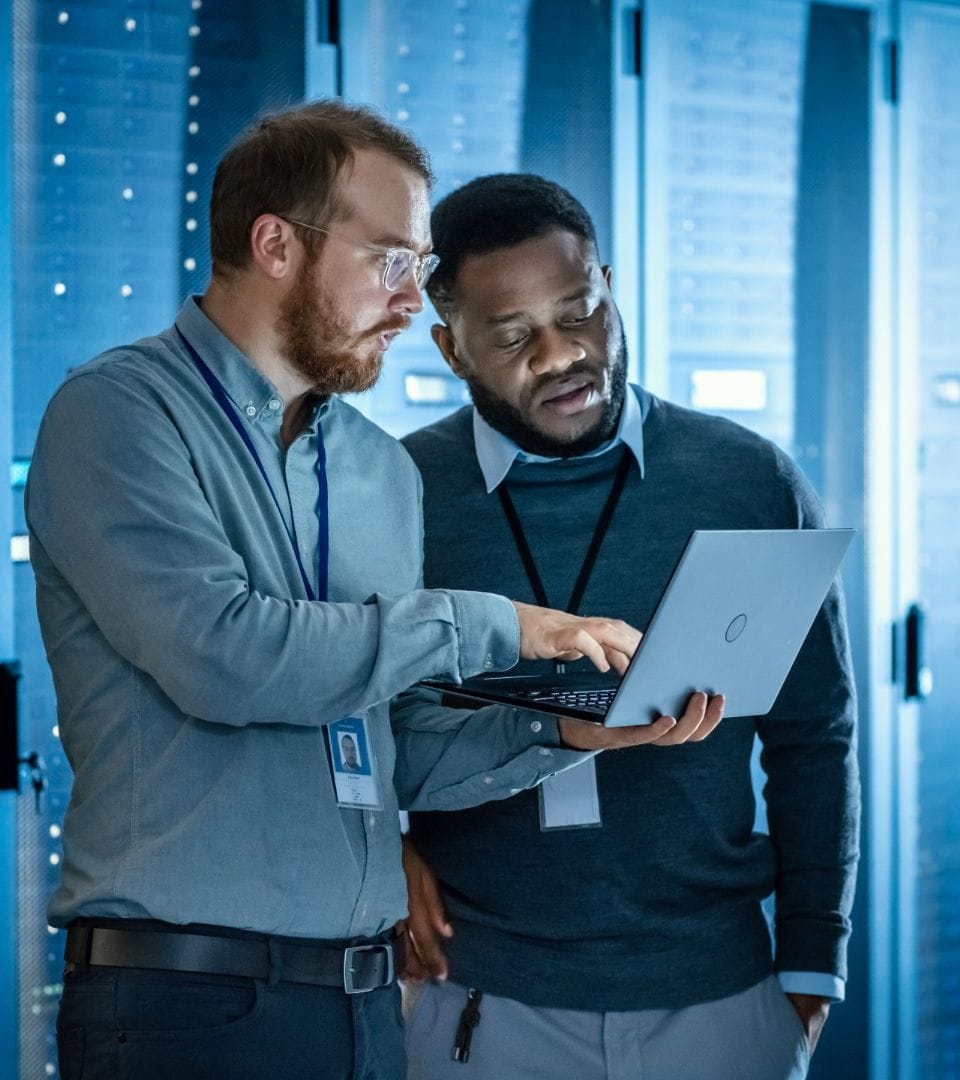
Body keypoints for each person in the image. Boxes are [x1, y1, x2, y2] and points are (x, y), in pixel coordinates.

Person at [25, 105, 723, 1080]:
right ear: (275, 243)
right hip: (185, 1003)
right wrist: (500, 624)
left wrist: (563, 734)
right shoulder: (119, 415)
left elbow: (388, 748)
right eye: (391, 260)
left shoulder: (373, 469)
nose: (412, 302)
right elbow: (225, 658)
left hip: (363, 1006)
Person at [399, 173, 860, 1080]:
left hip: (720, 1002)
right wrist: (387, 849)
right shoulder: (402, 498)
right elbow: (350, 721)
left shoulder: (746, 479)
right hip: (482, 1004)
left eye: (581, 311)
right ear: (452, 351)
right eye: (513, 336)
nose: (564, 354)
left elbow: (816, 738)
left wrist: (811, 968)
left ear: (609, 285)